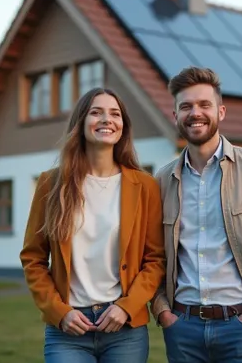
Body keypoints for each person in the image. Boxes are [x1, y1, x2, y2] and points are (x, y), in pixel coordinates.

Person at [152, 67, 242, 363]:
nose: (195, 113)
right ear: (175, 116)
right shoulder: (162, 180)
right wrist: (162, 311)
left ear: (221, 112)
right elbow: (152, 255)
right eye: (186, 106)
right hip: (183, 330)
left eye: (204, 105)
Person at [20, 87, 165, 363]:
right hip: (68, 330)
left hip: (124, 329)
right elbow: (33, 259)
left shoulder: (144, 185)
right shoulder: (51, 184)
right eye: (96, 112)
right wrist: (59, 312)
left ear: (123, 126)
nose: (106, 119)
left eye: (115, 114)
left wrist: (127, 307)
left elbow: (156, 259)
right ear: (81, 122)